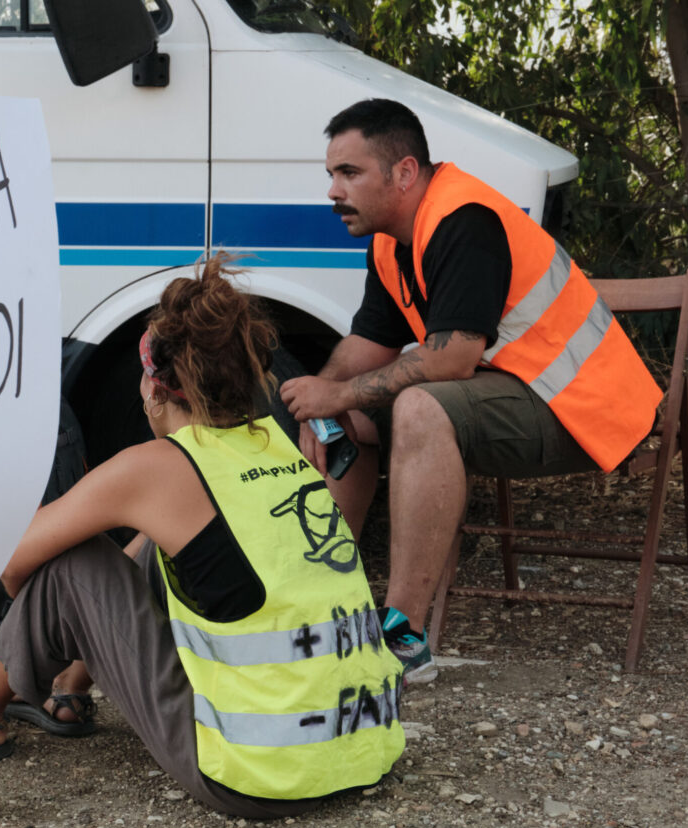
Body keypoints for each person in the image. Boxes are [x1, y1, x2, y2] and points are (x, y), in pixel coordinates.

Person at [0, 255, 405, 818]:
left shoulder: (157, 468)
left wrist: (55, 612)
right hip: (359, 751)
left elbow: (17, 566)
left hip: (261, 775)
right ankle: (68, 690)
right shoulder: (276, 445)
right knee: (164, 548)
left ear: (155, 387)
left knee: (71, 563)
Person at [279, 99, 661, 683]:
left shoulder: (464, 218)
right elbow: (370, 344)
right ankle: (323, 611)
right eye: (331, 174)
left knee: (420, 406)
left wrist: (342, 393)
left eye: (348, 173)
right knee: (348, 419)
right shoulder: (390, 241)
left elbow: (454, 359)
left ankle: (403, 638)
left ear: (404, 172)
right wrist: (323, 398)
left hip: (586, 412)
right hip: (518, 395)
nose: (333, 190)